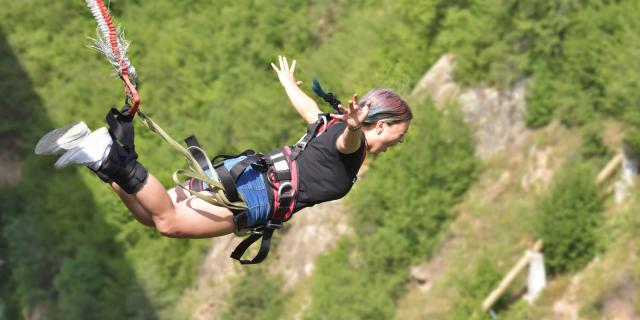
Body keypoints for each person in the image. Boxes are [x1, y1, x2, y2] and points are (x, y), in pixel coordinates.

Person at [35, 56, 412, 242]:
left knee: (152, 217)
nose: (400, 141)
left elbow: (309, 110)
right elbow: (349, 142)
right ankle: (107, 154)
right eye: (401, 134)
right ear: (381, 125)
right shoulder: (352, 141)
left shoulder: (328, 122)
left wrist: (287, 84)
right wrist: (351, 128)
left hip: (247, 173)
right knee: (168, 222)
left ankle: (101, 159)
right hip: (255, 194)